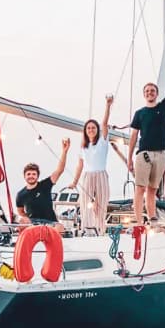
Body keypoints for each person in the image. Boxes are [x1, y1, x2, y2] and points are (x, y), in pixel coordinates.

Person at [126, 48, 165, 226]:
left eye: (153, 90)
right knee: (140, 188)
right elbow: (134, 136)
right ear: (144, 94)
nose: (150, 93)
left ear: (156, 94)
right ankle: (138, 221)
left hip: (160, 154)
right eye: (147, 91)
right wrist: (129, 158)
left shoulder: (163, 108)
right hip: (143, 154)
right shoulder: (139, 113)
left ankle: (152, 219)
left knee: (152, 190)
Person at [68, 94, 126, 234]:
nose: (91, 130)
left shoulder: (103, 141)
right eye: (88, 128)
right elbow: (80, 166)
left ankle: (100, 229)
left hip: (101, 174)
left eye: (93, 128)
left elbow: (105, 123)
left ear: (97, 130)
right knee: (84, 202)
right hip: (88, 175)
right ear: (85, 131)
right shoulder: (83, 147)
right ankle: (86, 230)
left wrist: (108, 105)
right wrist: (74, 182)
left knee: (101, 203)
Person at [16, 138, 72, 226]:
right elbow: (20, 211)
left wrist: (64, 152)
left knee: (60, 227)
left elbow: (59, 170)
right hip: (33, 224)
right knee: (21, 222)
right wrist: (27, 219)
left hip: (50, 222)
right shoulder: (20, 194)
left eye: (34, 174)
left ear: (37, 176)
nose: (31, 176)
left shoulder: (45, 185)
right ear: (24, 176)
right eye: (28, 174)